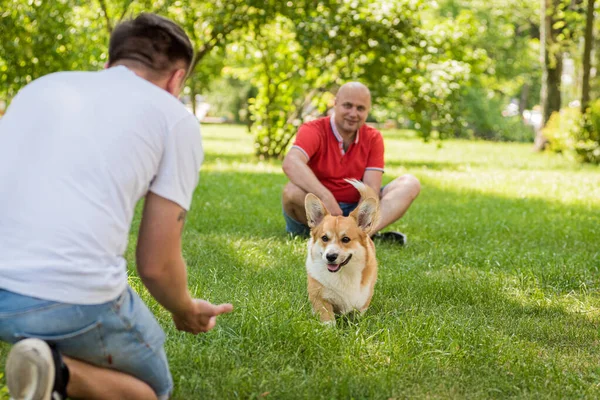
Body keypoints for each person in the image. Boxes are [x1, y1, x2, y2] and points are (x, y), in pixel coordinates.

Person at [0, 13, 233, 400]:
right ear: (176, 79)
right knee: (152, 389)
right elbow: (156, 266)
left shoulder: (41, 89)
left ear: (110, 63)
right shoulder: (174, 118)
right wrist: (185, 310)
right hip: (69, 298)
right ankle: (57, 373)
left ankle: (45, 372)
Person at [281, 82, 421, 244]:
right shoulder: (313, 130)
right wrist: (326, 197)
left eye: (360, 108)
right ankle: (329, 235)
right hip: (319, 213)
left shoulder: (373, 137)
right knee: (291, 191)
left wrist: (355, 222)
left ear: (368, 110)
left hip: (354, 211)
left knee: (410, 183)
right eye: (348, 106)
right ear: (335, 103)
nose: (353, 113)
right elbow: (291, 162)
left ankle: (362, 236)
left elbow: (371, 189)